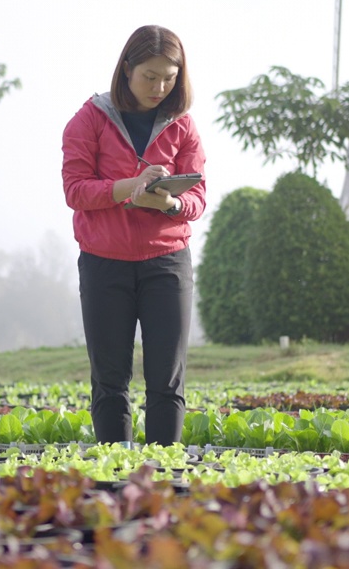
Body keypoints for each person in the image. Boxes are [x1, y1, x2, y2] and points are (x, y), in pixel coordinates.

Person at [60, 25, 206, 446]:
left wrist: (172, 205)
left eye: (169, 77)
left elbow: (197, 195)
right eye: (149, 76)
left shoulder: (183, 126)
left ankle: (165, 483)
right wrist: (131, 187)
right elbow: (75, 191)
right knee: (110, 380)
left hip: (167, 263)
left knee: (167, 378)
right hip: (105, 263)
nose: (160, 87)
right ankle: (115, 479)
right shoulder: (88, 120)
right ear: (126, 70)